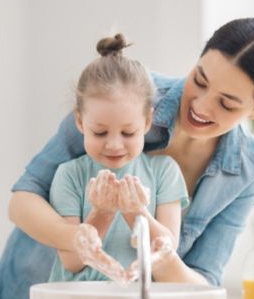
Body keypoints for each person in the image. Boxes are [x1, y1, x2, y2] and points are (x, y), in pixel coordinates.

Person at [0, 17, 254, 299]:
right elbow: (24, 198)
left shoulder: (244, 170)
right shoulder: (126, 93)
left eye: (226, 104)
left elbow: (203, 283)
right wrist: (80, 237)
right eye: (199, 80)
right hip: (27, 286)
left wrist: (158, 246)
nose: (201, 105)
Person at [45, 34, 188, 283]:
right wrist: (102, 212)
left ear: (146, 121)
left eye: (127, 132)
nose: (113, 144)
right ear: (80, 121)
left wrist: (137, 213)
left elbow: (167, 250)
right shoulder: (69, 175)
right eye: (99, 132)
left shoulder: (165, 172)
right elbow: (72, 260)